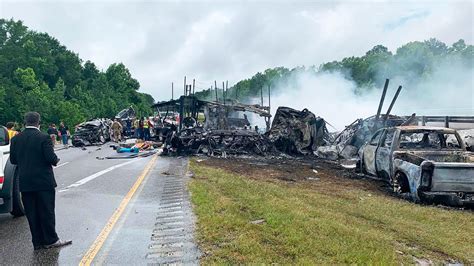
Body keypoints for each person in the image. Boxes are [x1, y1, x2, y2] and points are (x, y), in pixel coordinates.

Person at [9, 112, 72, 250]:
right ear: (39, 122)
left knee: (32, 213)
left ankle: (37, 242)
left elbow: (13, 160)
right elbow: (50, 158)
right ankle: (51, 239)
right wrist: (56, 160)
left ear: (25, 122)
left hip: (25, 182)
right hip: (43, 181)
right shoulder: (43, 137)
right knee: (47, 210)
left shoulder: (16, 139)